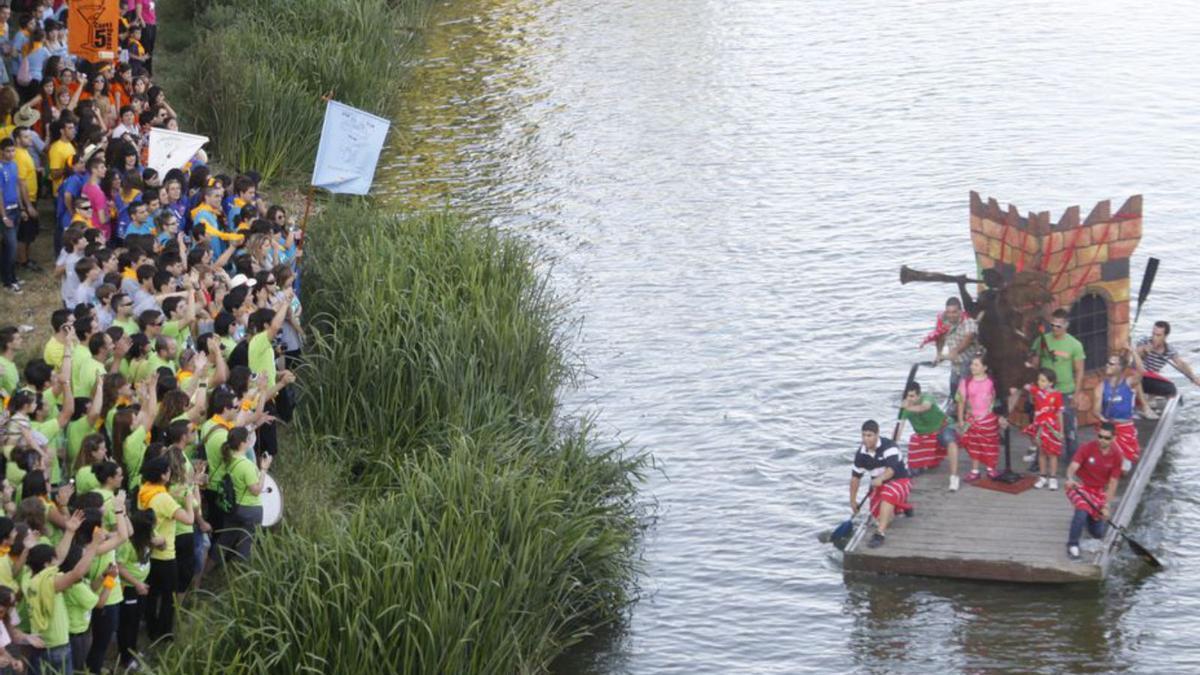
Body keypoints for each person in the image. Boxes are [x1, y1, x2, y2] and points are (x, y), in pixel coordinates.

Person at [1029, 308, 1085, 464]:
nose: (1054, 328)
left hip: (1065, 391)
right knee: (1041, 427)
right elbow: (1035, 364)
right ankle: (1038, 461)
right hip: (1044, 393)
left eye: (1058, 326)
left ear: (1066, 325)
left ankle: (1072, 461)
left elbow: (1080, 370)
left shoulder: (1075, 345)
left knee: (1069, 429)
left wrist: (1077, 393)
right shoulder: (1042, 340)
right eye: (1052, 325)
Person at [849, 419, 913, 549]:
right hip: (878, 486)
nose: (866, 439)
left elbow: (890, 471)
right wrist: (853, 500)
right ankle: (903, 507)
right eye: (864, 435)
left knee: (887, 495)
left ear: (877, 434)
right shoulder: (861, 454)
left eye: (869, 435)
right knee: (881, 518)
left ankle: (880, 534)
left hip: (899, 481)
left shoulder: (890, 447)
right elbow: (855, 478)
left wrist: (881, 478)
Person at [1064, 422, 1123, 560]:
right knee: (1082, 510)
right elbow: (1073, 466)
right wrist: (1070, 477)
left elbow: (1113, 483)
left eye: (1107, 438)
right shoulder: (1087, 448)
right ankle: (1072, 545)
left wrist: (1106, 506)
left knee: (1097, 533)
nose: (1102, 440)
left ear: (1114, 438)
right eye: (1100, 436)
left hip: (1099, 491)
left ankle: (1090, 518)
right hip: (1080, 486)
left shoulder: (1117, 455)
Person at [899, 381, 960, 490]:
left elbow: (925, 407)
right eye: (907, 396)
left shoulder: (927, 397)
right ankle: (920, 467)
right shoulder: (906, 408)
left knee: (950, 441)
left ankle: (954, 477)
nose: (909, 399)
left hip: (942, 427)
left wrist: (908, 408)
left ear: (919, 394)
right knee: (913, 464)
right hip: (924, 435)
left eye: (912, 396)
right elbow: (899, 429)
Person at [925, 296, 979, 413]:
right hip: (955, 361)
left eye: (954, 312)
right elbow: (940, 336)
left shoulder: (968, 321)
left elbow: (968, 339)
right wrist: (939, 354)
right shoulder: (943, 319)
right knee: (953, 386)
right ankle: (956, 407)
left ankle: (966, 411)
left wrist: (953, 352)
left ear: (960, 311)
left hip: (970, 359)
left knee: (963, 388)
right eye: (949, 312)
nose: (951, 315)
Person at [1094, 350, 1144, 470]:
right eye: (1108, 363)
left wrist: (1133, 351)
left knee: (1124, 469)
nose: (1107, 366)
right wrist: (1103, 420)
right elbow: (1095, 410)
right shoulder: (1101, 387)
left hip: (1125, 428)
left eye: (1111, 364)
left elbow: (1141, 372)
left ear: (1120, 367)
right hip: (1109, 429)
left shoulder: (1128, 382)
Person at [1135, 320, 1200, 404]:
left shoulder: (1169, 350)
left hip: (1151, 378)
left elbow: (1180, 364)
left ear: (1165, 336)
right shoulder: (1144, 341)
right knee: (1169, 388)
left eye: (1158, 335)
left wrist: (1193, 377)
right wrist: (1144, 350)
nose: (1154, 338)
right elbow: (1135, 352)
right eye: (1153, 334)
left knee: (1171, 390)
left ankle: (1153, 402)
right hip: (1138, 374)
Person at [957, 355, 1000, 481]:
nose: (972, 367)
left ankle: (991, 468)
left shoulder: (992, 382)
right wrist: (960, 420)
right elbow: (961, 402)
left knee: (990, 444)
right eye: (972, 364)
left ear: (985, 367)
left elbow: (997, 400)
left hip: (988, 419)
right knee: (973, 445)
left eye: (976, 365)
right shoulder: (965, 382)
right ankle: (974, 470)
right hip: (973, 419)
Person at [1021, 368, 1064, 490]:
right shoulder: (1036, 391)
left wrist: (1061, 430)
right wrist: (1027, 366)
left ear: (1051, 383)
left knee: (1052, 453)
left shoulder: (1057, 395)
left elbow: (1059, 413)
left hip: (1051, 428)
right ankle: (1042, 476)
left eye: (1043, 381)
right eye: (1039, 380)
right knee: (1041, 452)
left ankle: (1053, 477)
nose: (1040, 382)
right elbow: (1025, 384)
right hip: (1039, 427)